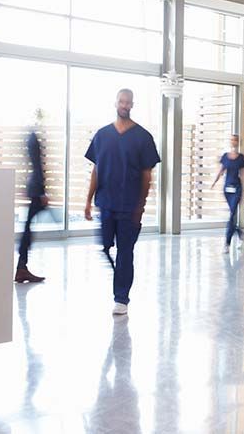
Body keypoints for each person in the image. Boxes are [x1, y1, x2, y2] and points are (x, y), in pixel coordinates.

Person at [84, 88, 160, 316]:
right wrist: (88, 201)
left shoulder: (143, 137)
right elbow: (96, 169)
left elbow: (147, 175)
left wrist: (141, 207)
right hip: (106, 204)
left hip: (130, 208)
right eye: (121, 101)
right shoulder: (102, 135)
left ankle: (121, 297)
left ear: (132, 105)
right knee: (106, 246)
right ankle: (121, 276)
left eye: (128, 102)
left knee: (125, 251)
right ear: (115, 103)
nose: (125, 105)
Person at [15, 109, 48, 283]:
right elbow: (36, 165)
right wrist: (42, 191)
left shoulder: (30, 137)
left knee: (28, 227)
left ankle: (22, 266)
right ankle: (21, 266)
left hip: (33, 187)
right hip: (36, 189)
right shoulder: (33, 138)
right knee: (28, 229)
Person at [212, 134, 244, 249]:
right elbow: (221, 171)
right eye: (232, 140)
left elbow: (243, 175)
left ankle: (227, 243)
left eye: (235, 140)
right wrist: (214, 182)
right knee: (232, 215)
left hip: (237, 188)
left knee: (232, 215)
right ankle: (240, 233)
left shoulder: (241, 157)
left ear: (238, 142)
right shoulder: (225, 156)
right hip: (227, 189)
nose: (233, 142)